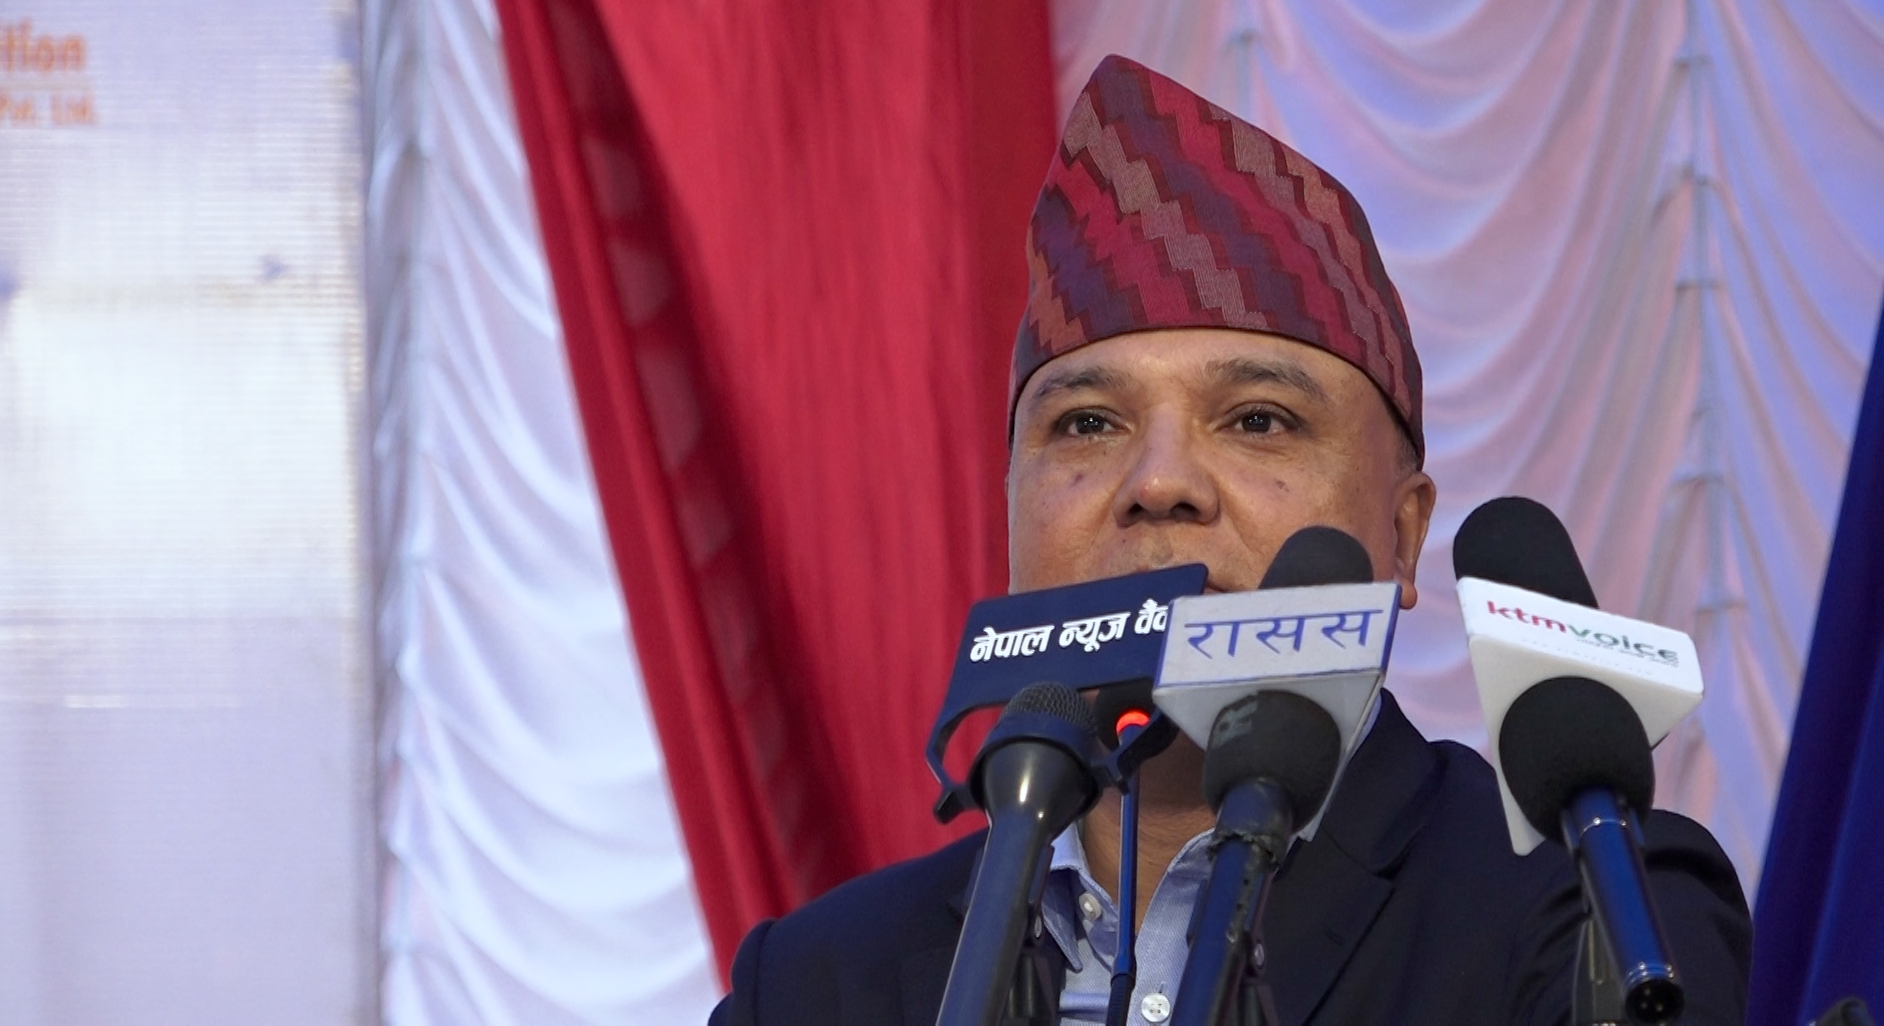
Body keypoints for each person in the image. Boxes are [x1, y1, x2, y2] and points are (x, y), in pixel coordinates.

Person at [710, 55, 1751, 1025]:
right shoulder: (811, 982)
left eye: (1258, 419)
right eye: (1088, 424)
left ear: (1402, 537)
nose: (1158, 484)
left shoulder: (1594, 915)